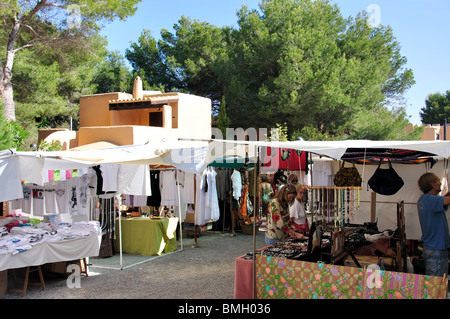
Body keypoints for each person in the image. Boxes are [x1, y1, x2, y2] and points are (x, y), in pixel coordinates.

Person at [417, 172, 450, 277]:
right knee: (436, 286)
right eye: (438, 180)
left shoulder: (424, 200)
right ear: (433, 184)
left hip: (433, 248)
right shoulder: (431, 200)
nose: (440, 183)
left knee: (434, 285)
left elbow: (444, 199)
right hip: (436, 250)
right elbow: (446, 200)